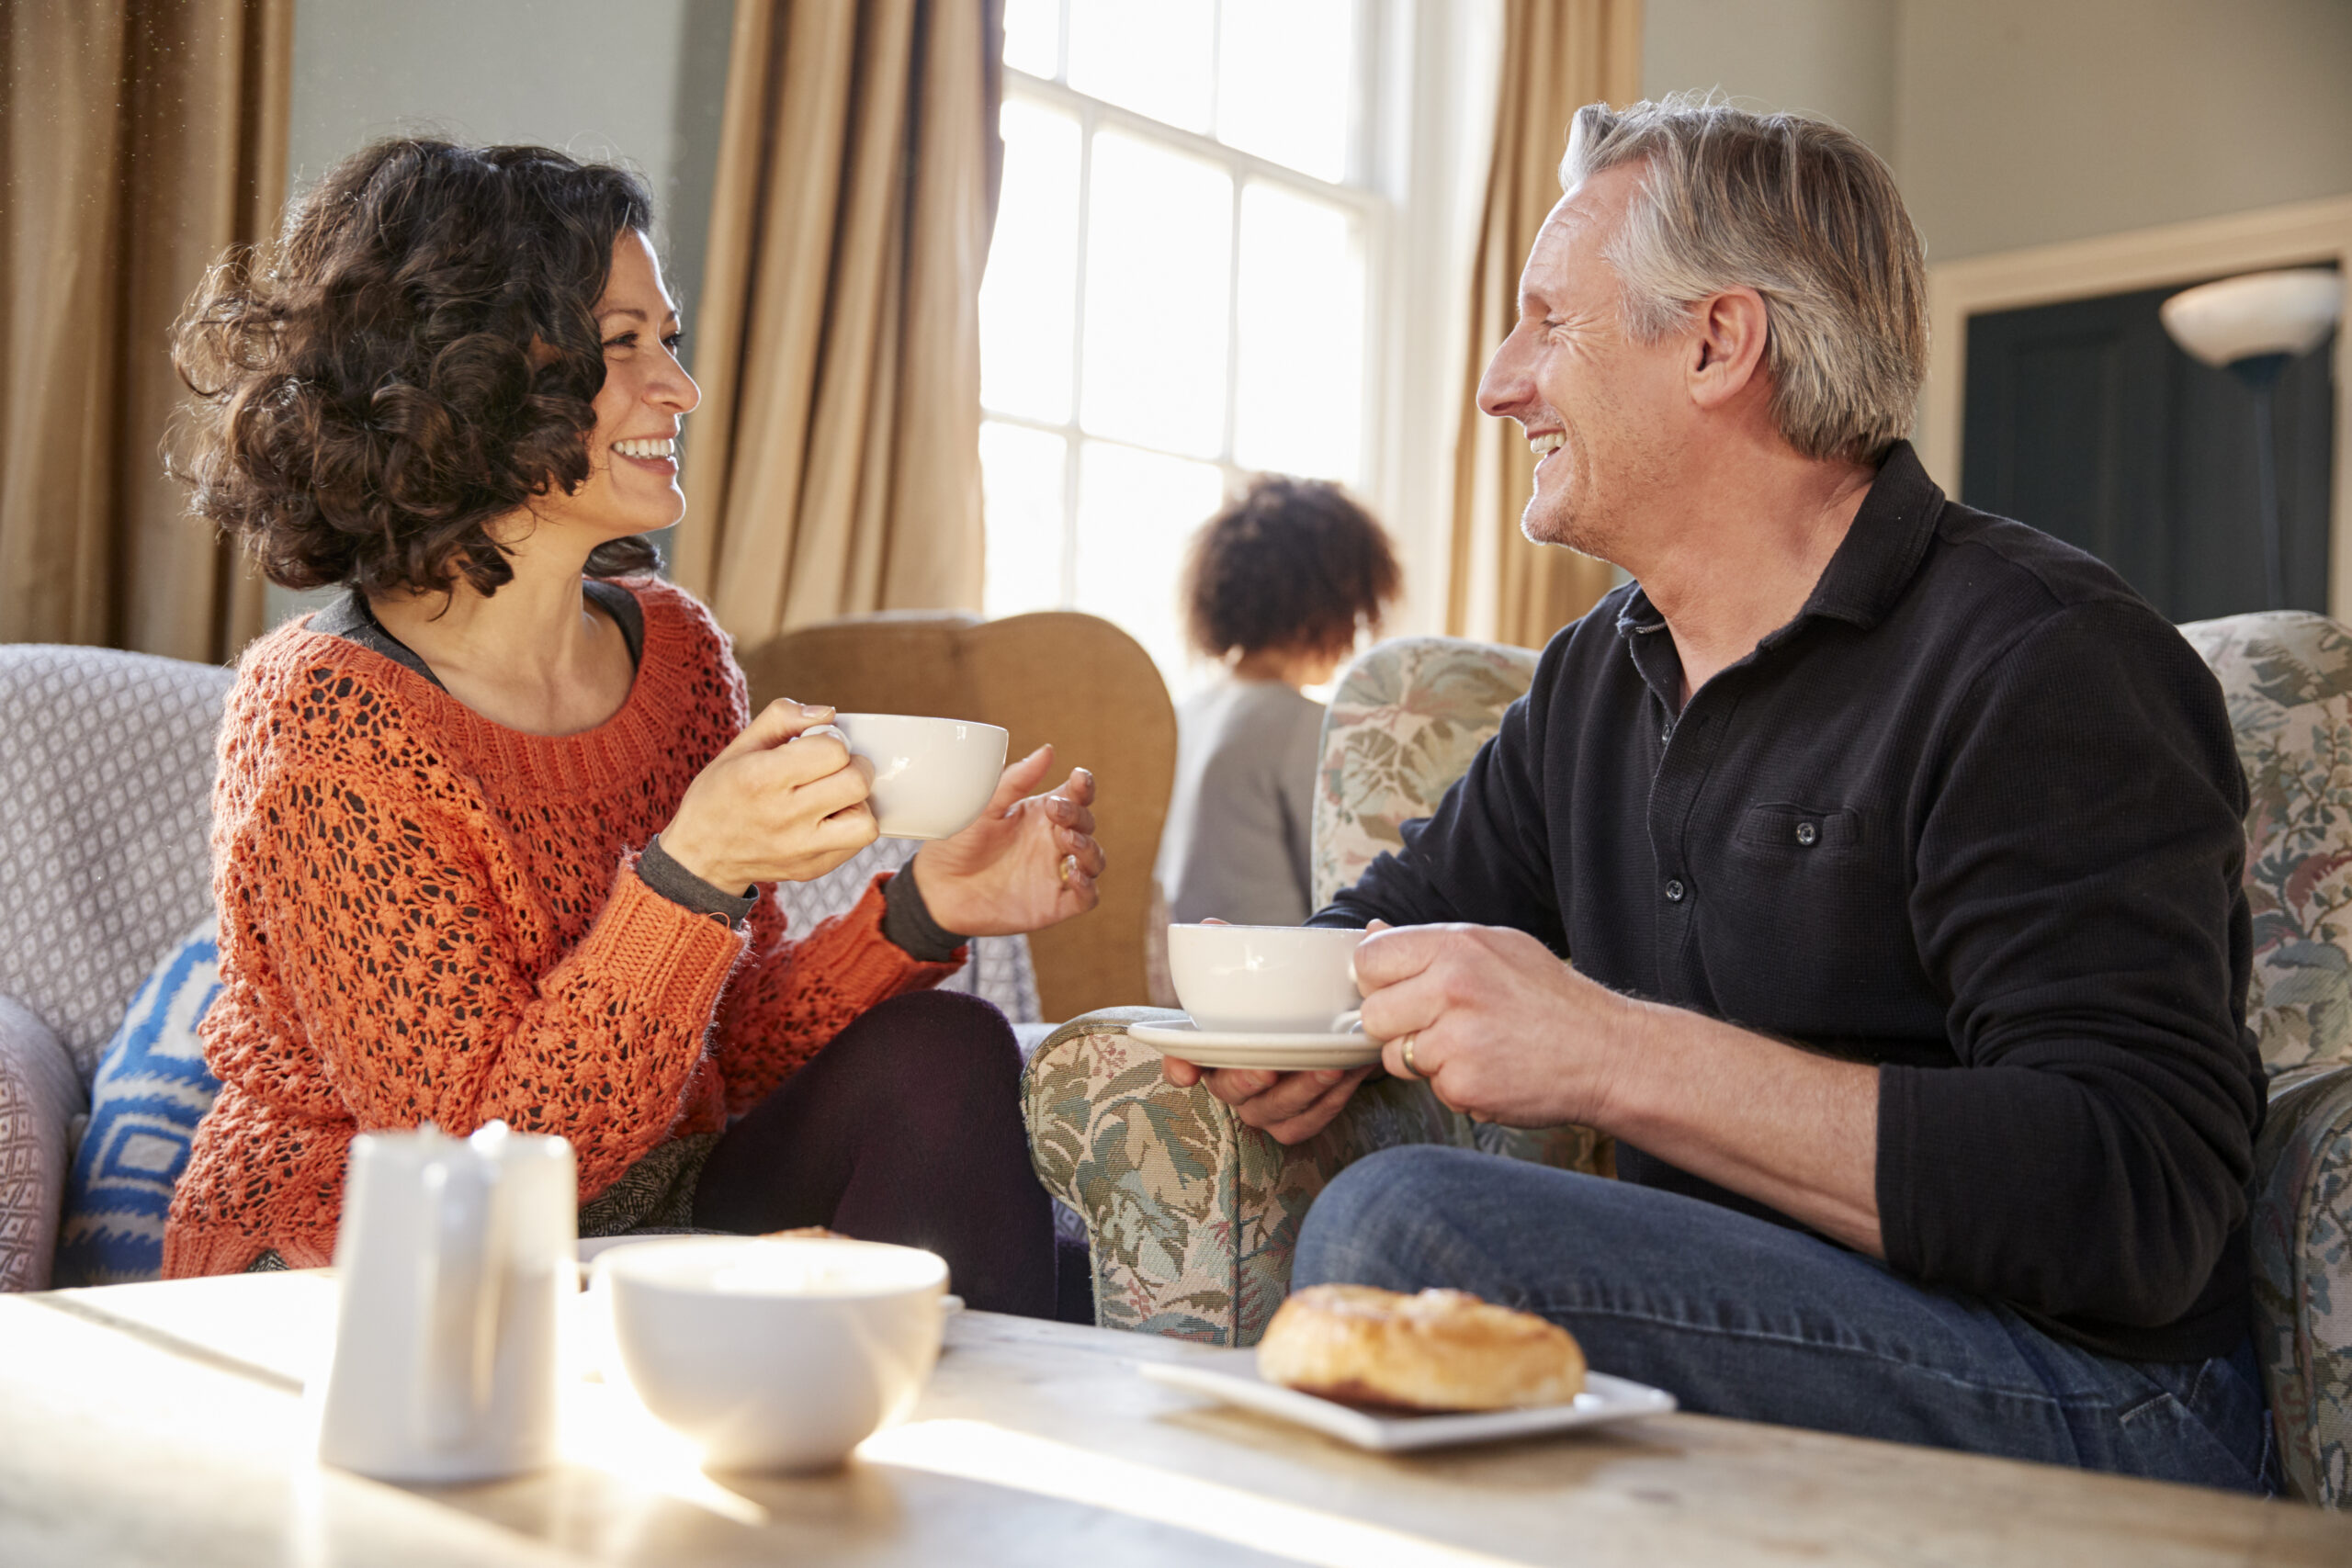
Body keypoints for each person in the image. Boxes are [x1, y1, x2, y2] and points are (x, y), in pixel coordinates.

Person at [1161, 96, 2273, 1489]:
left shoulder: (2046, 657)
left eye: (1547, 322)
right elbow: (1390, 924)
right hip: (1756, 1308)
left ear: (1716, 340)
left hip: (2091, 1388)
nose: (1502, 384)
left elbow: (2137, 1190)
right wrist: (1275, 1016)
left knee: (1417, 1238)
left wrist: (1613, 1049)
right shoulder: (1594, 681)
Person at [161, 140, 1106, 1318]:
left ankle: (962, 1478)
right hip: (366, 1267)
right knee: (1039, 1275)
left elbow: (717, 1053)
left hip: (635, 1212)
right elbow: (475, 1167)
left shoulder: (679, 656)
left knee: (945, 1052)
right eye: (624, 345)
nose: (679, 387)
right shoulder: (326, 720)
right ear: (473, 369)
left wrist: (924, 912)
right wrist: (691, 873)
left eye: (670, 339)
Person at [1158, 477, 1400, 927]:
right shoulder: (1303, 724)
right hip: (1275, 974)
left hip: (1186, 969)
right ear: (1330, 603)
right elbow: (1349, 880)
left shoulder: (1181, 715)